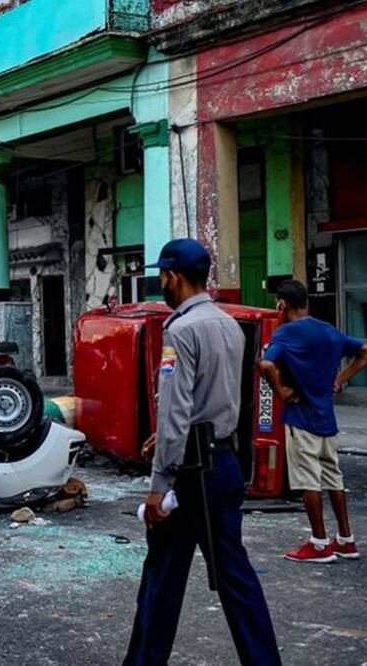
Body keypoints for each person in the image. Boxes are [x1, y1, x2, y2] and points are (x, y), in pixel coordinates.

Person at [124, 239, 281, 666]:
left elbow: (175, 410)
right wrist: (177, 438)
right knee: (235, 578)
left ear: (172, 276)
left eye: (162, 275)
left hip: (191, 473)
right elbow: (221, 399)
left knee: (162, 577)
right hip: (223, 463)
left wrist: (159, 485)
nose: (161, 283)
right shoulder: (229, 324)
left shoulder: (181, 329)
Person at [259, 279, 367, 563]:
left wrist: (282, 392)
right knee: (334, 478)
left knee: (308, 481)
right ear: (307, 303)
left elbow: (265, 364)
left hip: (301, 418)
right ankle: (346, 539)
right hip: (327, 418)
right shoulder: (329, 331)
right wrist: (339, 379)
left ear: (282, 304)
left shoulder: (286, 333)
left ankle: (319, 542)